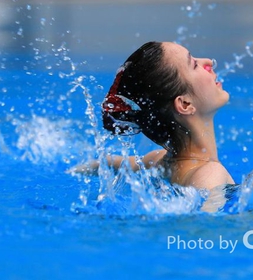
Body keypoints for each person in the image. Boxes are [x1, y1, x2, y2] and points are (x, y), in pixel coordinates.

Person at [76, 41, 234, 207]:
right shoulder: (210, 174)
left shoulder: (157, 162)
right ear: (185, 104)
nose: (208, 62)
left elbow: (106, 163)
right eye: (194, 65)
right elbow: (204, 229)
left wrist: (76, 169)